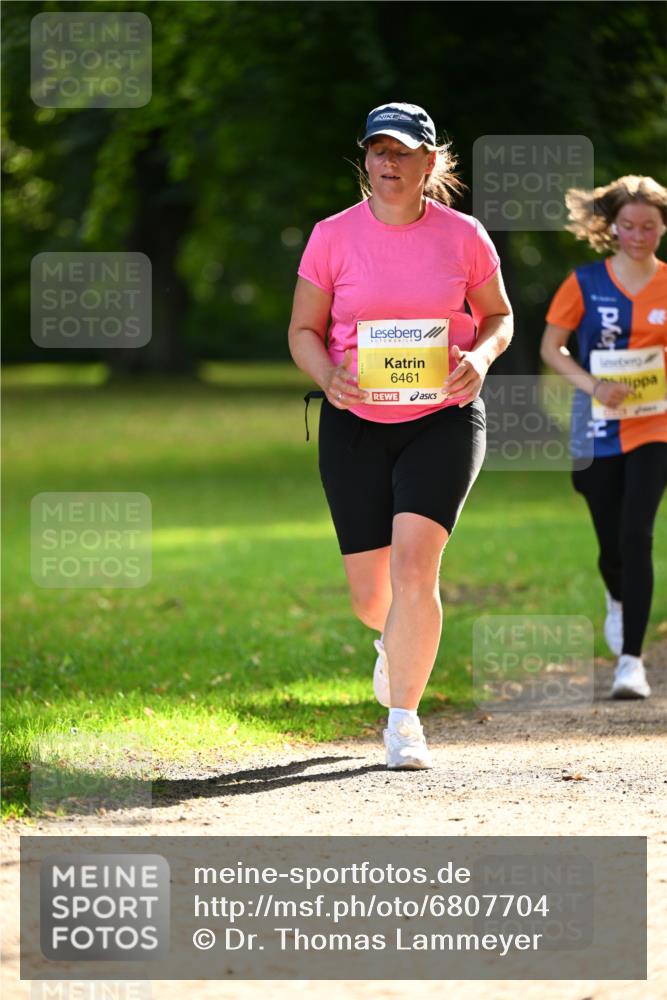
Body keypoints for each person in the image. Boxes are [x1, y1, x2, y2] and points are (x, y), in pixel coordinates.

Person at [287, 102, 513, 769]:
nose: (389, 163)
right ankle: (394, 642)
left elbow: (497, 316)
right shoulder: (331, 235)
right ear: (365, 159)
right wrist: (328, 376)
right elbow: (303, 330)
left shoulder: (463, 234)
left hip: (441, 418)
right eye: (378, 150)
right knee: (371, 598)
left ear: (429, 161)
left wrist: (480, 357)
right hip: (353, 421)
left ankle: (403, 723)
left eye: (403, 151)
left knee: (416, 568)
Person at [541, 175, 667, 699]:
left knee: (637, 533)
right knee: (611, 544)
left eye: (650, 227)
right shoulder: (585, 281)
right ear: (613, 226)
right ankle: (616, 598)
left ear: (662, 228)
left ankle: (631, 663)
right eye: (629, 225)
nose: (638, 235)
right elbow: (553, 348)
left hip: (655, 424)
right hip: (596, 428)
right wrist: (594, 384)